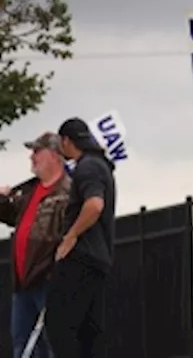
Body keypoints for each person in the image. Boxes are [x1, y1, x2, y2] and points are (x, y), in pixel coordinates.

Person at [44, 118, 117, 358]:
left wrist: (71, 235)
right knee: (89, 331)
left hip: (81, 258)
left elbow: (94, 205)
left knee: (59, 324)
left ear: (67, 141)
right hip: (98, 259)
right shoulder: (100, 165)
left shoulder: (88, 167)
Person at [0, 133, 71, 358]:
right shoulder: (30, 193)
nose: (32, 157)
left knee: (53, 344)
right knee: (22, 344)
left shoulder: (66, 193)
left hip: (48, 279)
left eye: (36, 152)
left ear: (53, 155)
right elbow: (12, 215)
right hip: (23, 281)